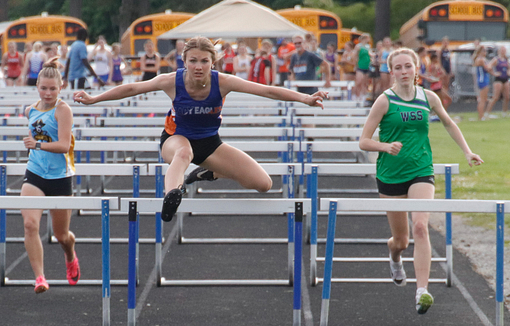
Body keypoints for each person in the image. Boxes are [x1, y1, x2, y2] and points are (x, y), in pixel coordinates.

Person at [73, 36, 328, 222]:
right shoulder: (171, 81)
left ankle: (210, 172)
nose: (198, 66)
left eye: (204, 61)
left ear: (212, 62)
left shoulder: (224, 82)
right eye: (193, 61)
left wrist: (305, 98)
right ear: (184, 61)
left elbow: (268, 91)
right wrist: (95, 99)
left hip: (209, 143)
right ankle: (172, 195)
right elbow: (131, 88)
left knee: (264, 183)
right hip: (175, 138)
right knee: (184, 154)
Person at [358, 47, 483, 315]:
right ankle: (394, 256)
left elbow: (448, 123)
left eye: (408, 66)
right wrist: (385, 146)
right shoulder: (384, 101)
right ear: (391, 72)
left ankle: (422, 291)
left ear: (417, 69)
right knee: (401, 241)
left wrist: (467, 151)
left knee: (420, 226)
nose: (404, 71)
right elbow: (363, 141)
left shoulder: (428, 97)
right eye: (398, 67)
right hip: (390, 175)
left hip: (421, 170)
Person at [21, 57, 80, 293]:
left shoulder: (63, 110)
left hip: (60, 177)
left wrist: (37, 145)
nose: (48, 93)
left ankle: (70, 254)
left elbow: (64, 145)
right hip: (35, 173)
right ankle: (40, 278)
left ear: (61, 87)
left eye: (53, 89)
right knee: (29, 224)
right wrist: (34, 147)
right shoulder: (30, 110)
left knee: (61, 235)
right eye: (44, 88)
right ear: (37, 86)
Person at [485, 45, 509, 117]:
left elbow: (508, 68)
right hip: (498, 79)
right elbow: (489, 66)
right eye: (502, 50)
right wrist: (494, 73)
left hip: (506, 79)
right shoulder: (496, 59)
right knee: (496, 97)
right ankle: (487, 112)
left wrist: (509, 72)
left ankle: (504, 112)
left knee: (507, 97)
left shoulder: (506, 59)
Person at [473, 45, 491, 120]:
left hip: (485, 79)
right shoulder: (480, 60)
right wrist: (493, 63)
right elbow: (487, 68)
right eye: (484, 51)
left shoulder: (483, 59)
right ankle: (481, 116)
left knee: (484, 98)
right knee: (482, 99)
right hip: (482, 80)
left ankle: (482, 115)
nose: (485, 52)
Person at [353, 33, 372, 101]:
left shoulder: (368, 46)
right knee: (359, 81)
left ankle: (363, 96)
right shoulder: (358, 46)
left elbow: (370, 54)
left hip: (367, 65)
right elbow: (355, 55)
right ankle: (356, 95)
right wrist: (355, 64)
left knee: (365, 82)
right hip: (360, 65)